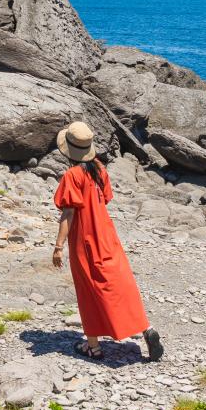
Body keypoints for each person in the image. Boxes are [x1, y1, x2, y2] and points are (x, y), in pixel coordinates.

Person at [50, 121, 163, 361]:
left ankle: (94, 347)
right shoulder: (100, 168)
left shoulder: (72, 175)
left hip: (85, 237)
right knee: (119, 282)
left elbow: (68, 213)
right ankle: (146, 328)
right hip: (107, 234)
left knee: (89, 289)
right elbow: (105, 199)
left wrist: (58, 246)